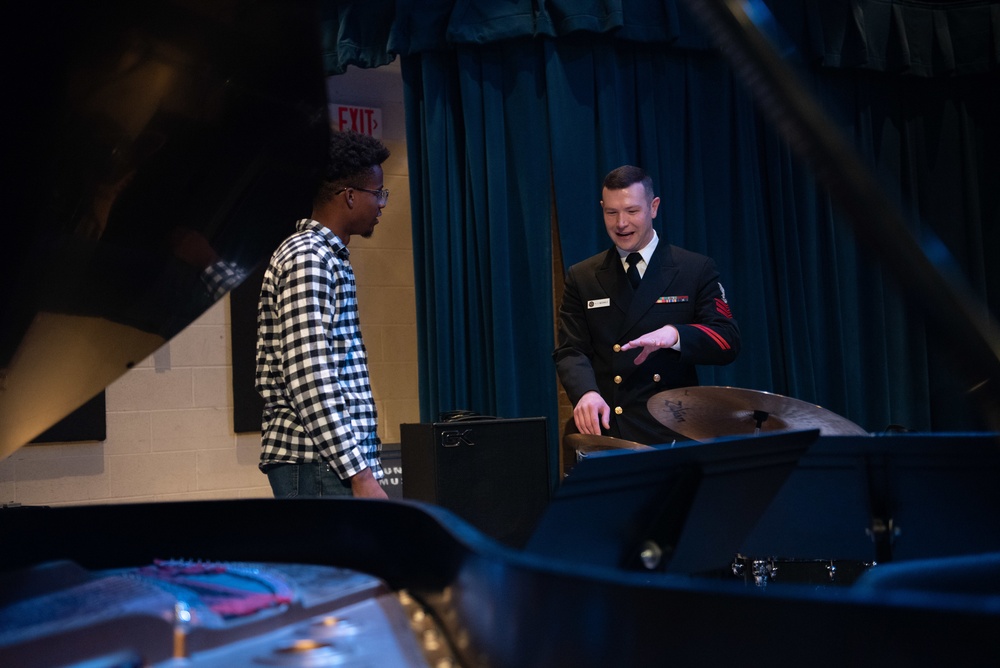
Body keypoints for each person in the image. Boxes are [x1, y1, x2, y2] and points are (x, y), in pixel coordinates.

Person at [553, 165, 740, 445]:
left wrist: (675, 335)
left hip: (672, 429)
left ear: (653, 207)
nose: (621, 224)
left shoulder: (693, 269)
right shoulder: (583, 276)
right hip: (610, 430)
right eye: (611, 212)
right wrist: (585, 393)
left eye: (632, 211)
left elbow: (727, 340)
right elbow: (570, 349)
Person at [256, 130, 391, 499]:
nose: (382, 204)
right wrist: (359, 473)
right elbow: (309, 375)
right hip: (316, 462)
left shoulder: (327, 257)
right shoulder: (308, 258)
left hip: (326, 462)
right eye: (377, 193)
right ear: (349, 196)